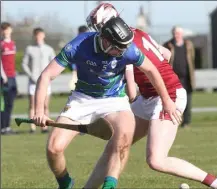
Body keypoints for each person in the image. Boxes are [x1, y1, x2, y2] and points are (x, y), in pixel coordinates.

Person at [80, 3, 217, 189]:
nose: (98, 34)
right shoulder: (135, 32)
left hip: (168, 96)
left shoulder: (123, 45)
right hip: (149, 97)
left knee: (156, 159)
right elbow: (166, 53)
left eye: (99, 28)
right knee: (114, 146)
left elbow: (130, 93)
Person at [32, 16, 181, 189]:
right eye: (119, 48)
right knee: (53, 148)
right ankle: (65, 182)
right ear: (105, 41)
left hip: (114, 100)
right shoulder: (78, 45)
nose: (124, 51)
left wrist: (167, 100)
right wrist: (39, 111)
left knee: (125, 135)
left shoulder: (128, 49)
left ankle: (109, 185)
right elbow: (46, 75)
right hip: (82, 99)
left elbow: (151, 70)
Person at [22, 27, 55, 133]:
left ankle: (44, 126)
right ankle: (32, 127)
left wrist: (50, 76)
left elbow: (54, 64)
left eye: (40, 35)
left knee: (45, 105)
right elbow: (24, 64)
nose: (38, 37)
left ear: (43, 35)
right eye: (36, 35)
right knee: (33, 105)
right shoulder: (29, 49)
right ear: (34, 36)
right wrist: (31, 75)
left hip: (46, 82)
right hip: (33, 81)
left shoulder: (49, 49)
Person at [163, 26, 195, 128]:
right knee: (174, 100)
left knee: (188, 101)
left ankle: (186, 122)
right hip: (173, 78)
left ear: (182, 34)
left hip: (186, 78)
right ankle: (174, 120)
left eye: (179, 33)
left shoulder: (188, 45)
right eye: (175, 33)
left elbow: (192, 59)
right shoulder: (168, 45)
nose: (177, 35)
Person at [0, 22, 17, 135]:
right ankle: (2, 127)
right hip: (4, 78)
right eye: (4, 29)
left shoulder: (13, 44)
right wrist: (3, 75)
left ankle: (7, 126)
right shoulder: (1, 44)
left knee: (10, 103)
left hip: (12, 76)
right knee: (4, 103)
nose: (6, 31)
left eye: (8, 29)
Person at [69, 25, 89, 91]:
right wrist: (74, 68)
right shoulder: (75, 44)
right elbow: (70, 58)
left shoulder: (90, 43)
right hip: (78, 71)